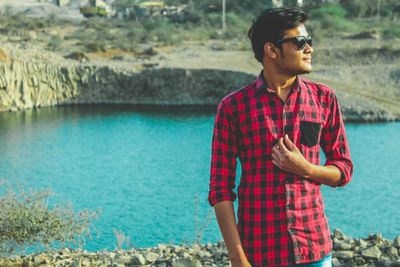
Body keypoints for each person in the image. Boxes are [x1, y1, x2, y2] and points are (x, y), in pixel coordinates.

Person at [208, 7, 353, 267]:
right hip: (260, 253)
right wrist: (237, 258)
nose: (309, 48)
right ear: (271, 50)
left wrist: (307, 168)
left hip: (315, 251)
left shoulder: (324, 99)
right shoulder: (234, 108)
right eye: (300, 42)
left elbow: (343, 170)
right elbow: (220, 189)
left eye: (309, 41)